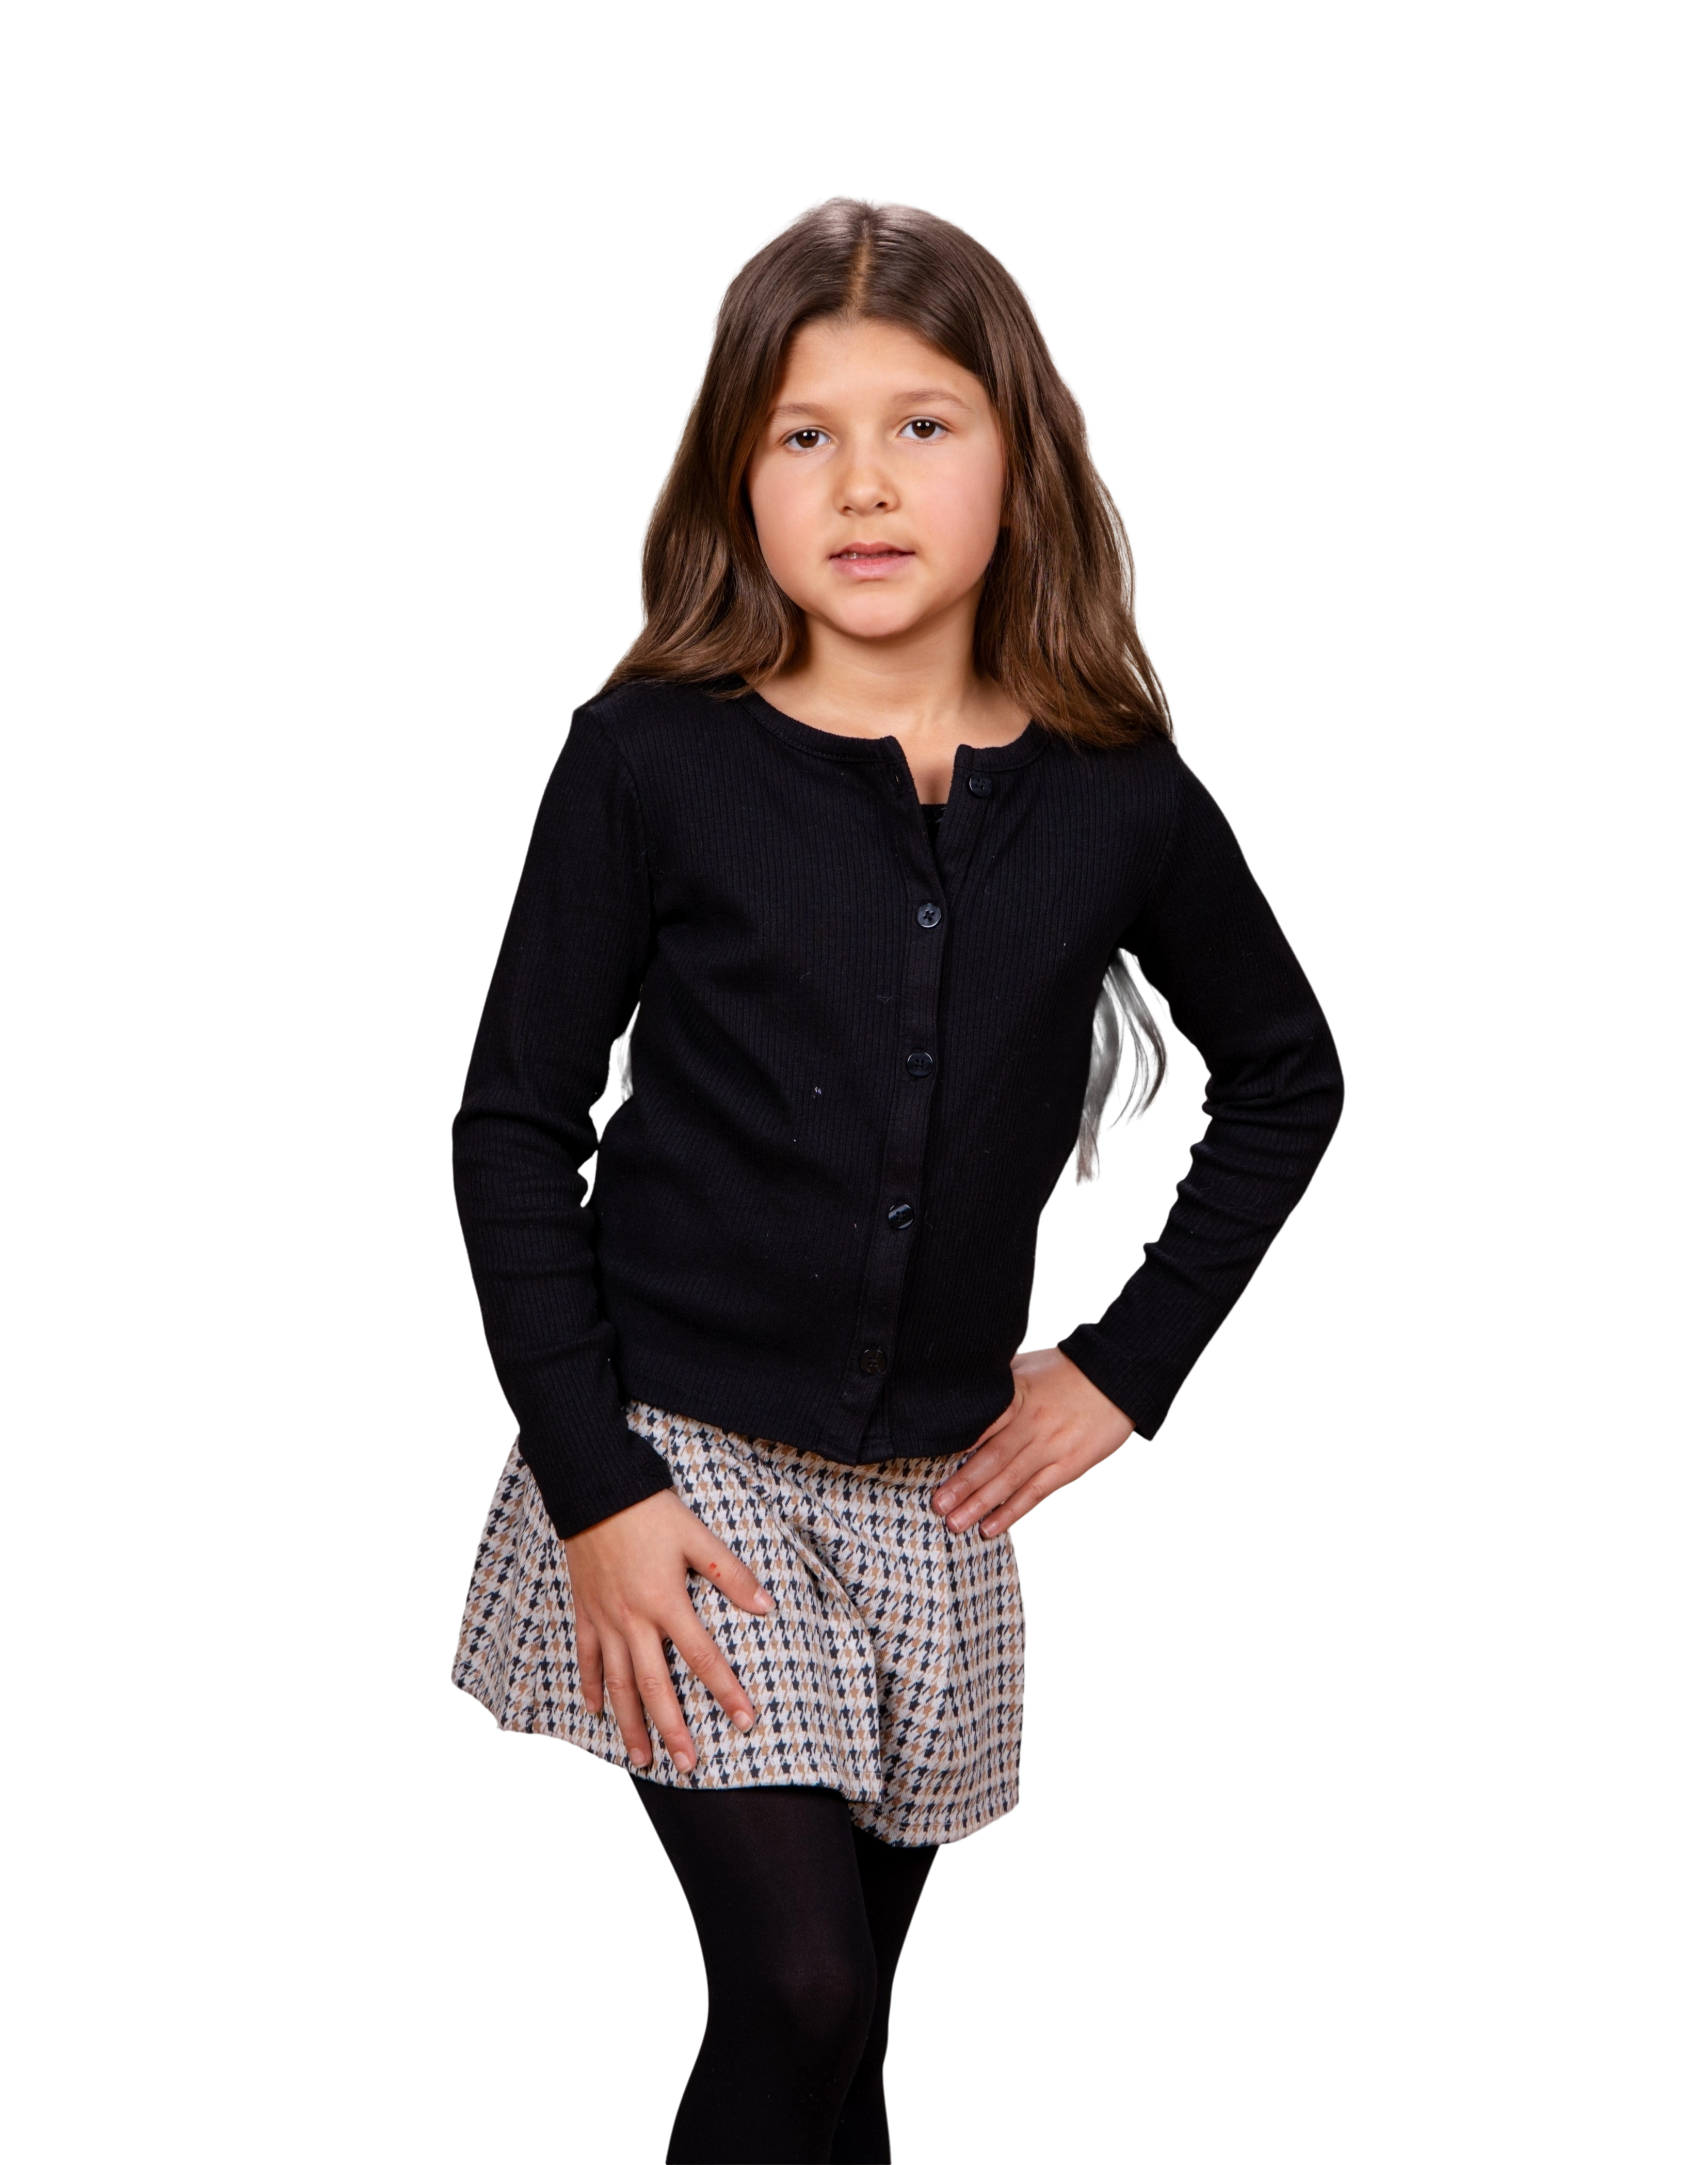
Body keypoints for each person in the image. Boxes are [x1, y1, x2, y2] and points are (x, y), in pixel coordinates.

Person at [448, 191, 1348, 2165]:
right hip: (683, 1478)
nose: (863, 483)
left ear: (1019, 461)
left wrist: (1123, 1371)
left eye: (921, 425)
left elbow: (1288, 1076)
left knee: (844, 2031)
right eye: (804, 434)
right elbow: (512, 1124)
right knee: (795, 1984)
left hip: (936, 1506)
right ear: (735, 480)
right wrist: (599, 1488)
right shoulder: (646, 761)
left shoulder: (1120, 795)